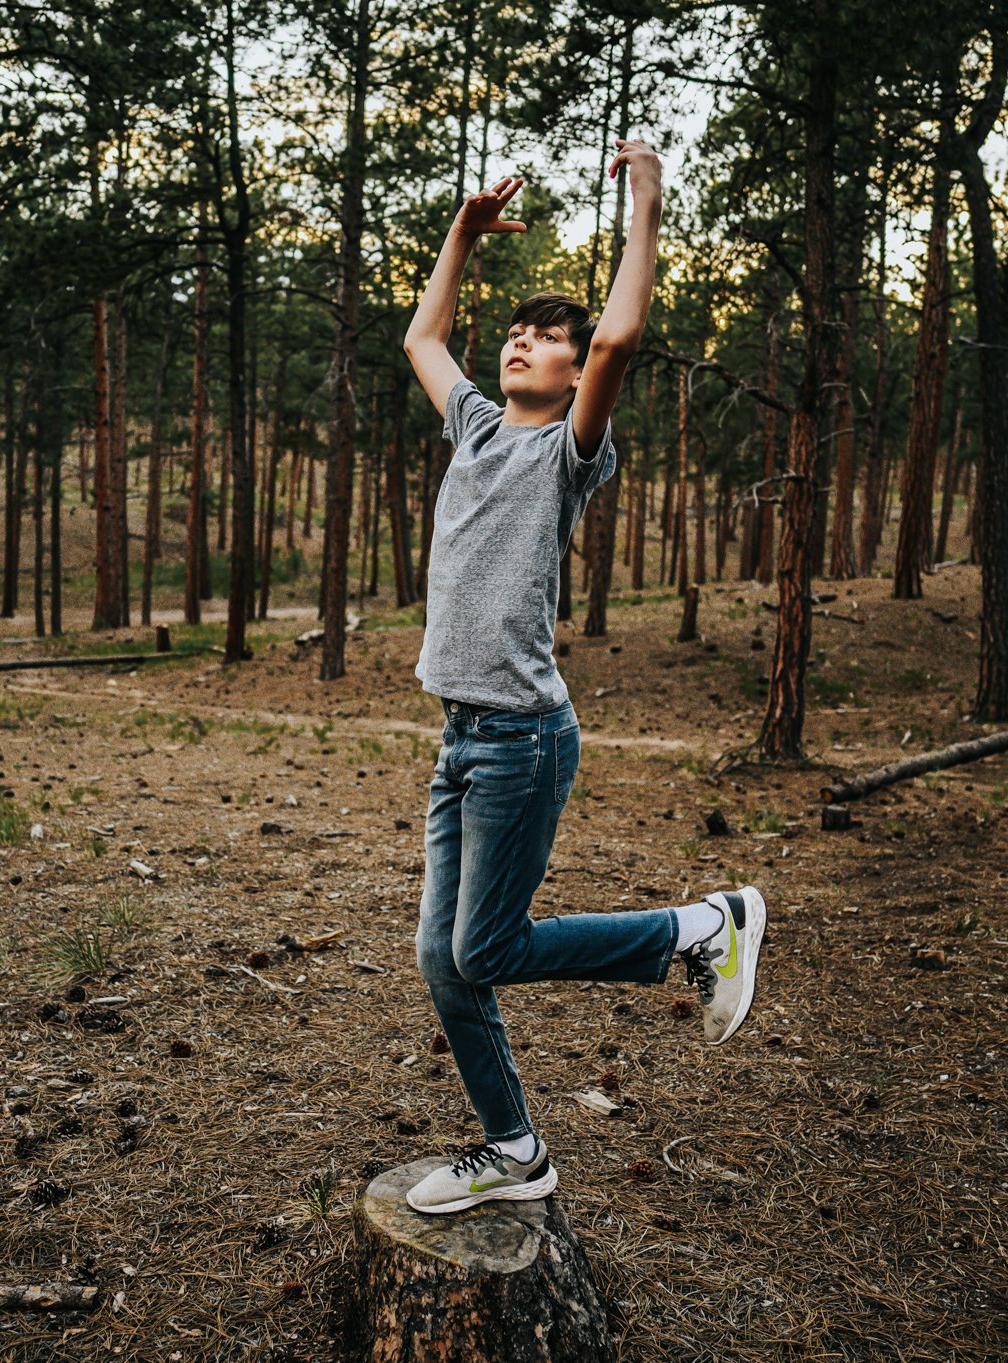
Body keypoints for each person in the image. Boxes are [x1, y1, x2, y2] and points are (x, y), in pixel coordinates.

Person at [392, 143, 768, 1216]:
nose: (523, 341)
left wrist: (645, 200)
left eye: (546, 338)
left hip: (519, 737)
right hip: (459, 738)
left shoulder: (567, 449)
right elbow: (422, 334)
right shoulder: (472, 428)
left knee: (487, 946)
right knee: (443, 960)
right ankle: (514, 1149)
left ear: (569, 376)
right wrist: (459, 237)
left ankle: (700, 926)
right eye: (516, 331)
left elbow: (621, 334)